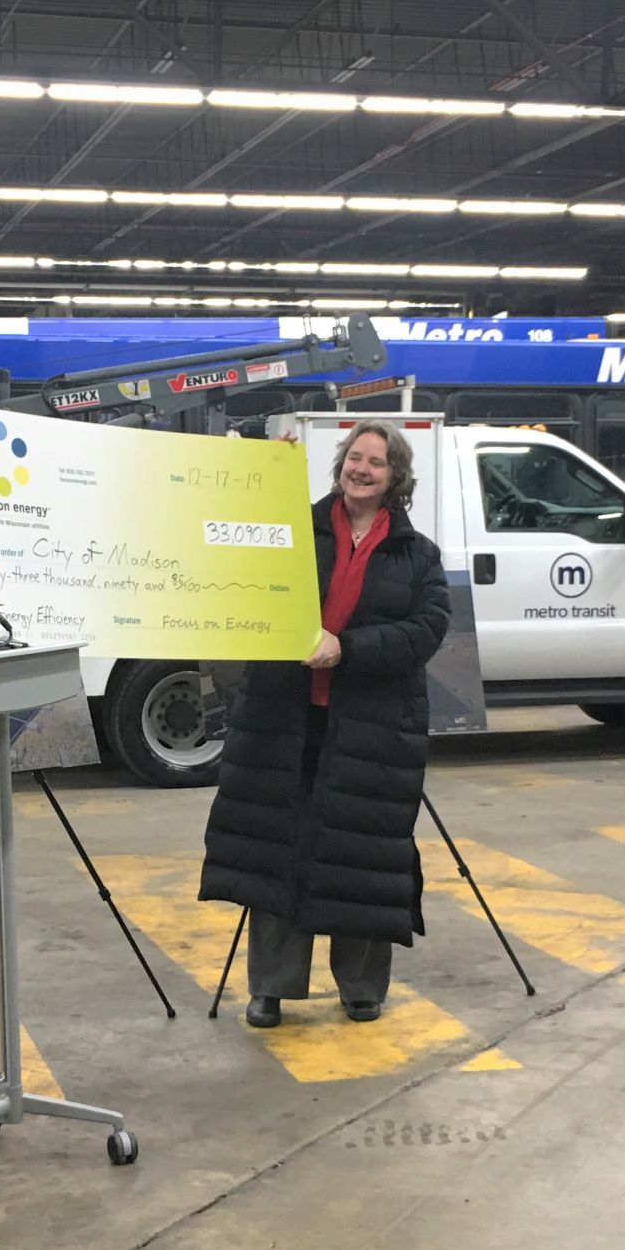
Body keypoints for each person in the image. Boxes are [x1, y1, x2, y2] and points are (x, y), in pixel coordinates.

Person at [199, 421, 450, 1028]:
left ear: (396, 479)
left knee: (362, 853)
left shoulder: (416, 554)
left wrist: (350, 648)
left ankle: (361, 986)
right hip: (286, 717)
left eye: (376, 462)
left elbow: (428, 629)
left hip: (371, 729)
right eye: (354, 457)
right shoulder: (294, 528)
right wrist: (264, 477)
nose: (361, 469)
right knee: (277, 846)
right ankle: (271, 987)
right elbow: (238, 554)